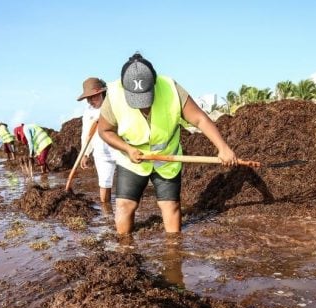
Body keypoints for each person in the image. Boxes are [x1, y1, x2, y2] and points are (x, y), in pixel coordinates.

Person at [97, 53, 238, 235]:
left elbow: (200, 119)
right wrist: (127, 149)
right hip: (131, 160)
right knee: (125, 206)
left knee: (170, 206)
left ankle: (174, 251)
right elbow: (104, 131)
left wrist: (223, 148)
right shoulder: (114, 95)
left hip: (167, 158)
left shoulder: (172, 89)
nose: (142, 106)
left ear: (154, 84)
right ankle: (124, 247)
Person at [76, 77, 116, 204]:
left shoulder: (113, 105)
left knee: (129, 186)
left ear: (101, 93)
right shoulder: (88, 112)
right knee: (104, 185)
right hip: (101, 153)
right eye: (88, 98)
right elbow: (86, 135)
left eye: (93, 97)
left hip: (120, 150)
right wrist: (85, 153)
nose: (90, 101)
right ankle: (106, 215)